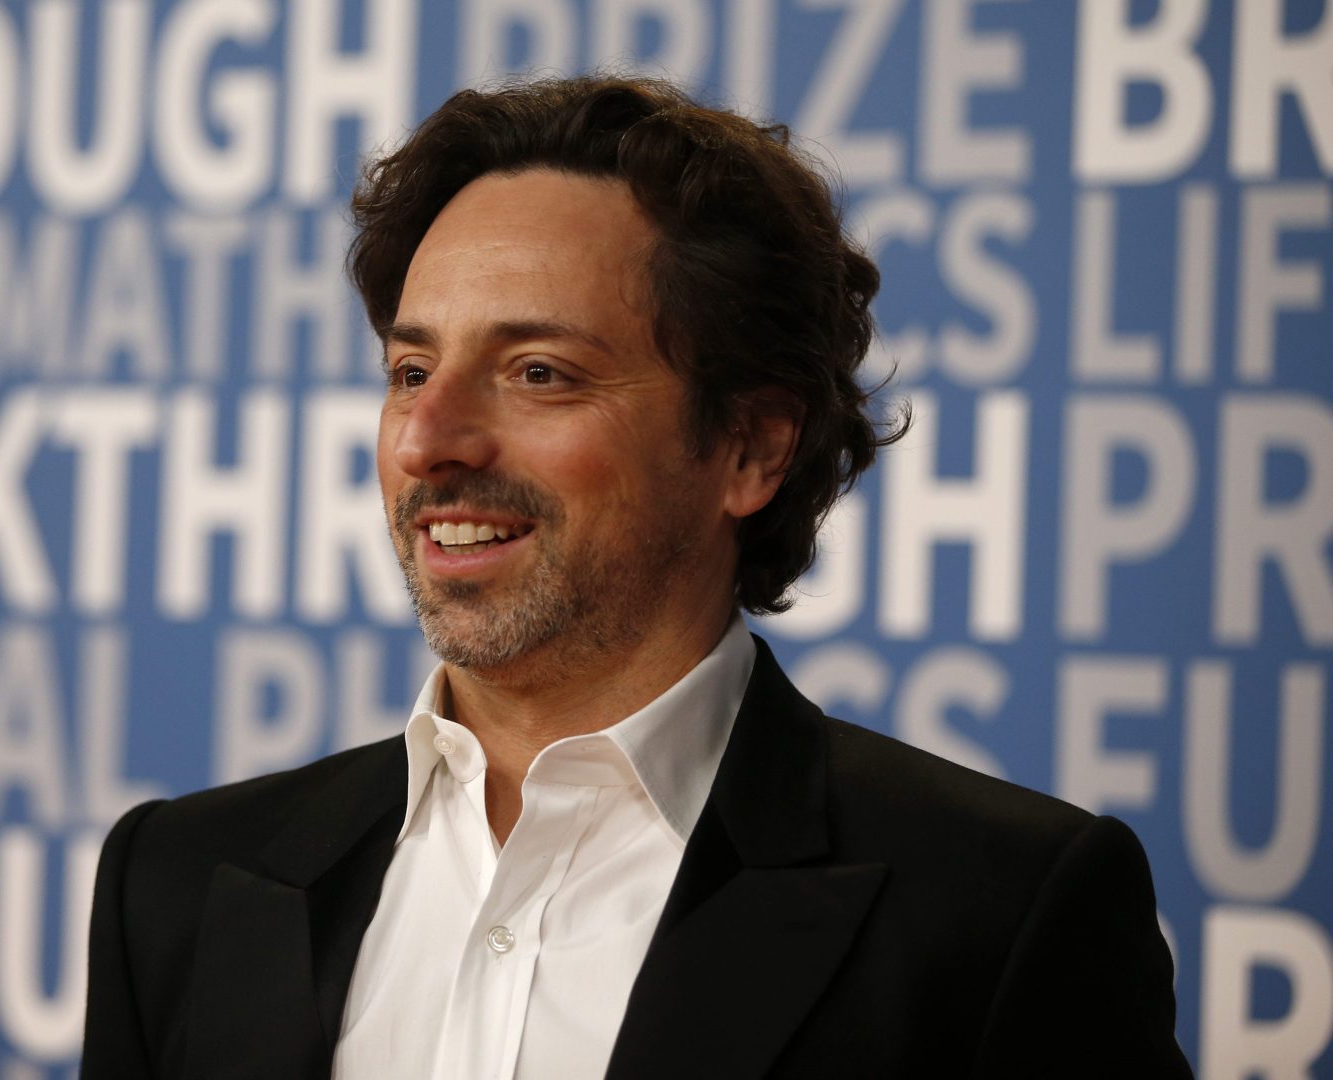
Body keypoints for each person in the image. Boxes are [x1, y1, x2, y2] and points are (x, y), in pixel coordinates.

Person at [82, 75, 1193, 1079]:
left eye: (538, 372)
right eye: (412, 370)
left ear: (751, 448)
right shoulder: (176, 881)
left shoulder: (1000, 914)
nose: (428, 439)